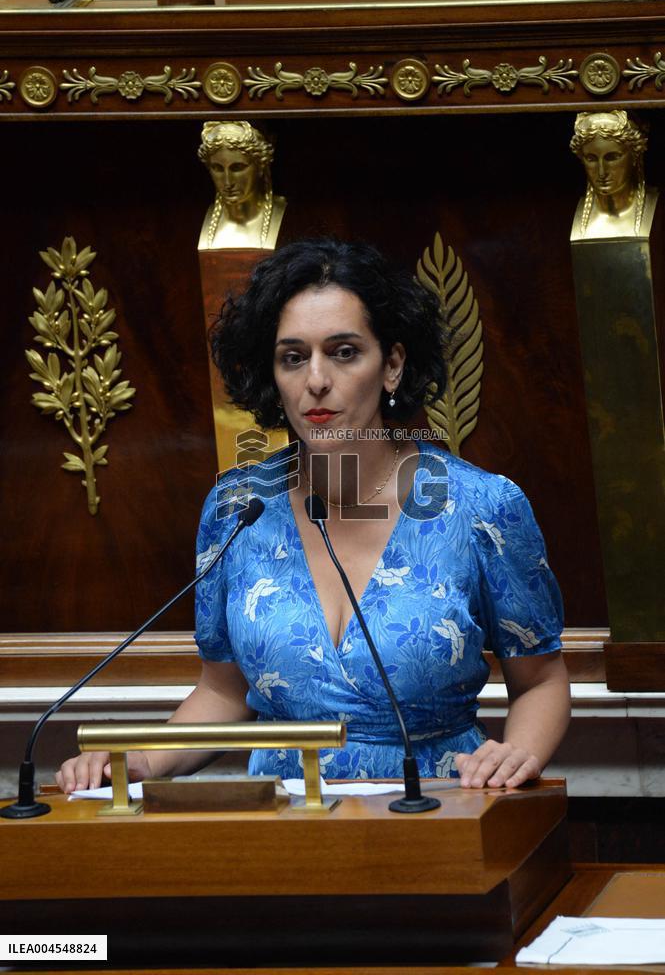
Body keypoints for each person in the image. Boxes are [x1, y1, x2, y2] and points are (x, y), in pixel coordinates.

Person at [56, 238, 570, 794]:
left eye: (344, 352)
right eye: (293, 357)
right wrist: (143, 763)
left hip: (442, 815)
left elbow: (540, 679)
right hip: (285, 831)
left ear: (392, 364)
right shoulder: (238, 509)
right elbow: (225, 690)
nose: (316, 380)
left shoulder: (481, 507)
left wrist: (515, 756)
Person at [197, 120, 286, 250]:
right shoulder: (206, 220)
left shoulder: (282, 213)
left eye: (238, 168)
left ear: (261, 165)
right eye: (217, 168)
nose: (228, 182)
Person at [569, 109, 655, 239]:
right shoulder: (574, 214)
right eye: (591, 159)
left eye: (612, 157)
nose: (602, 172)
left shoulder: (655, 207)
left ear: (635, 156)